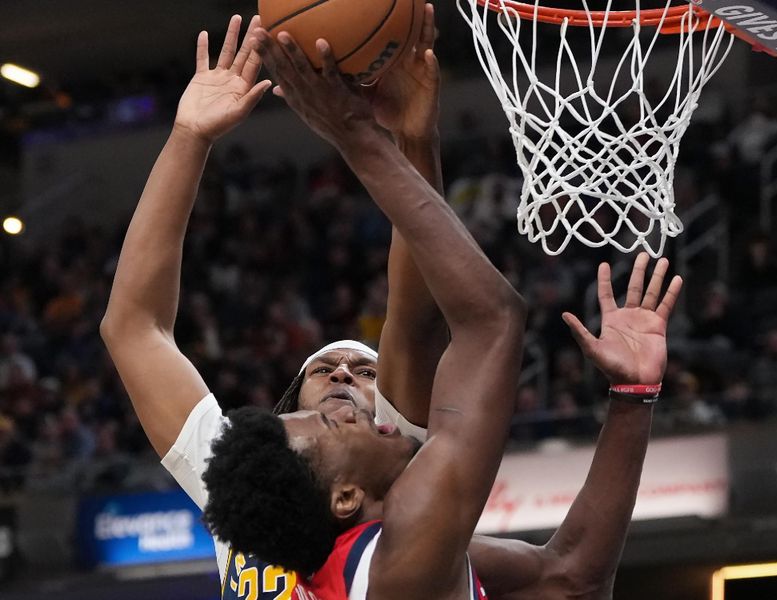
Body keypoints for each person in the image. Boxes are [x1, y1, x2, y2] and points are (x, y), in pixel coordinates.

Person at [201, 25, 683, 600]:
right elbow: (491, 321)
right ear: (345, 497)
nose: (350, 407)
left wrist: (632, 400)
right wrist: (354, 133)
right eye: (332, 423)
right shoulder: (403, 560)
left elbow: (573, 576)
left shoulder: (373, 556)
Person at [100, 11, 453, 590]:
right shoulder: (250, 474)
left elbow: (415, 320)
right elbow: (132, 328)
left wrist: (414, 142)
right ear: (291, 414)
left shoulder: (398, 455)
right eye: (322, 372)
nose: (341, 372)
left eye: (365, 372)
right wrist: (189, 138)